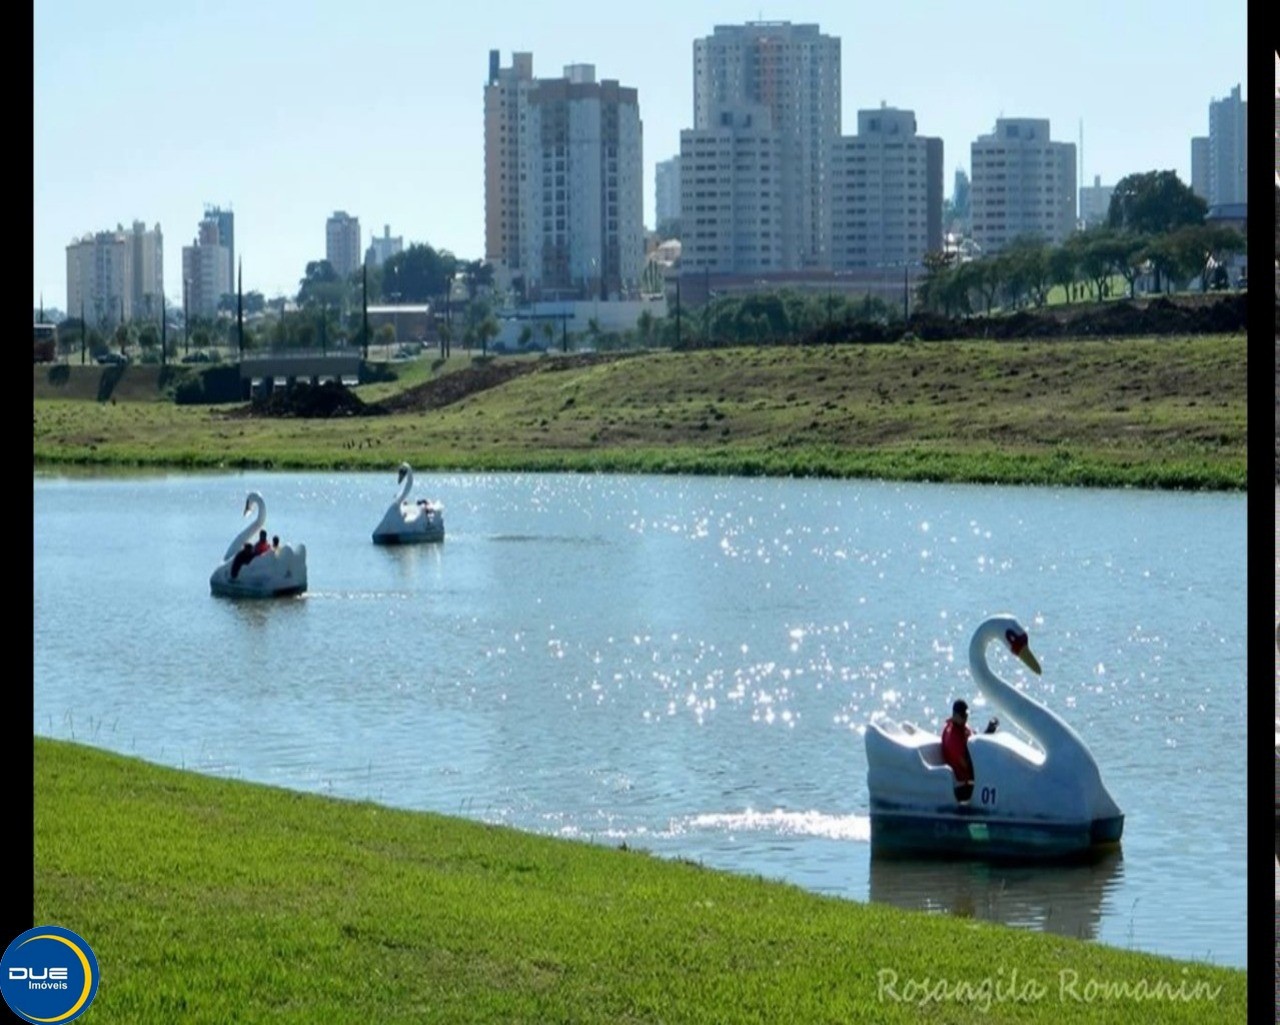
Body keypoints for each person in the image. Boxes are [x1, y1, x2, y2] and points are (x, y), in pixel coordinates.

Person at [940, 699, 998, 803]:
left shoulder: (963, 728)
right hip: (961, 786)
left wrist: (989, 731)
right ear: (955, 715)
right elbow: (967, 765)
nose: (965, 718)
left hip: (969, 781)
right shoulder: (953, 737)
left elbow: (976, 743)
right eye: (963, 716)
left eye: (966, 715)